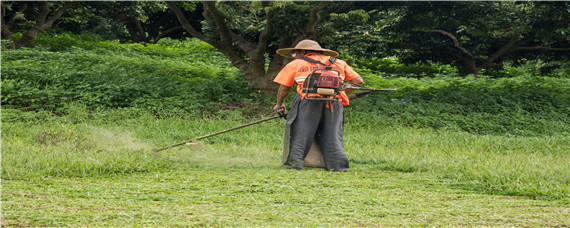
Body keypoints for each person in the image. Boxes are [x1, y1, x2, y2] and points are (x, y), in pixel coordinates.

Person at [272, 39, 364, 172]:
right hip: (334, 103)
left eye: (295, 54)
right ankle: (338, 166)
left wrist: (279, 104)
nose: (295, 56)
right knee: (333, 134)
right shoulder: (338, 63)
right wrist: (338, 92)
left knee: (300, 133)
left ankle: (294, 164)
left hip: (307, 103)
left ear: (302, 52)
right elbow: (358, 81)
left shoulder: (297, 63)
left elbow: (284, 88)